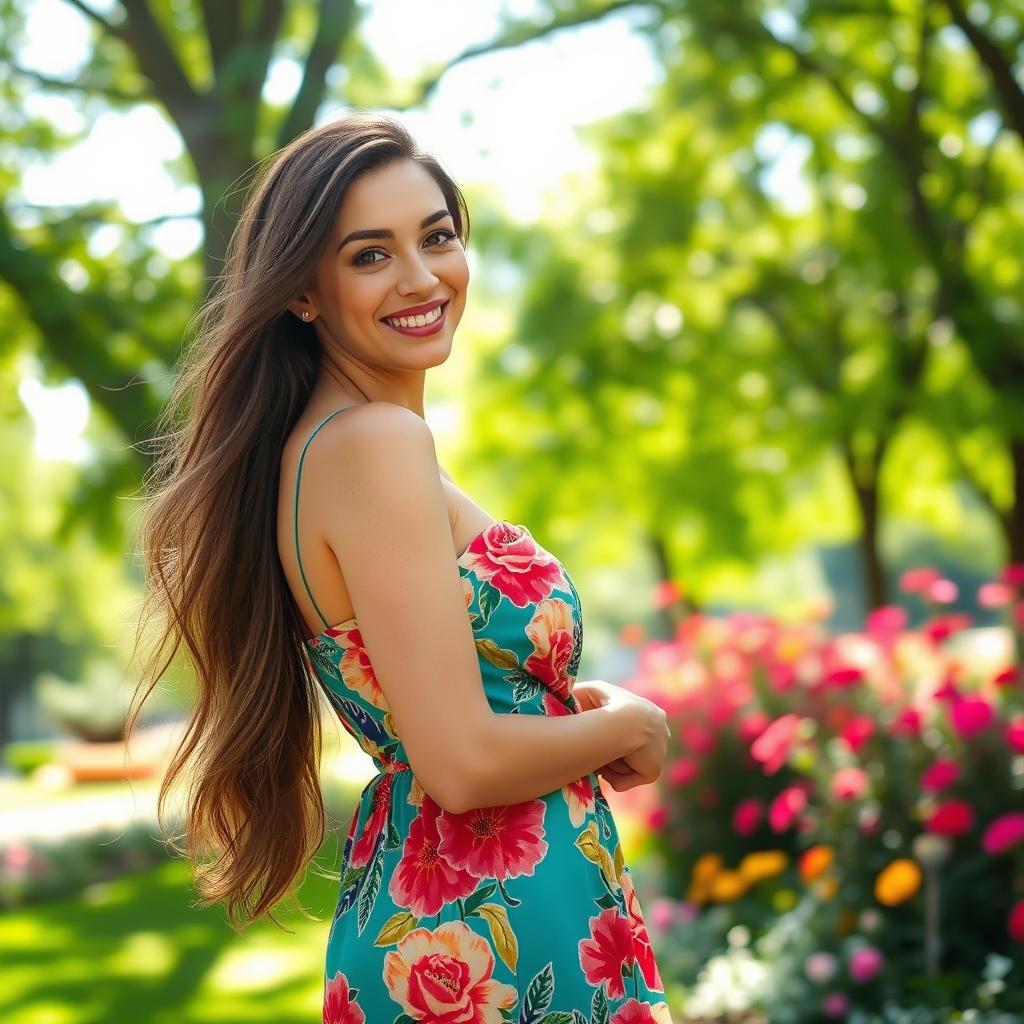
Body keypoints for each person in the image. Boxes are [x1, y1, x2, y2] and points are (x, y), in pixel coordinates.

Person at [130, 111, 674, 1023]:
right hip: (490, 925)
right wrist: (633, 726)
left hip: (472, 902)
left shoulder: (336, 446)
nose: (422, 278)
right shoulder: (373, 445)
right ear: (304, 291)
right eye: (370, 255)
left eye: (438, 236)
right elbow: (459, 760)